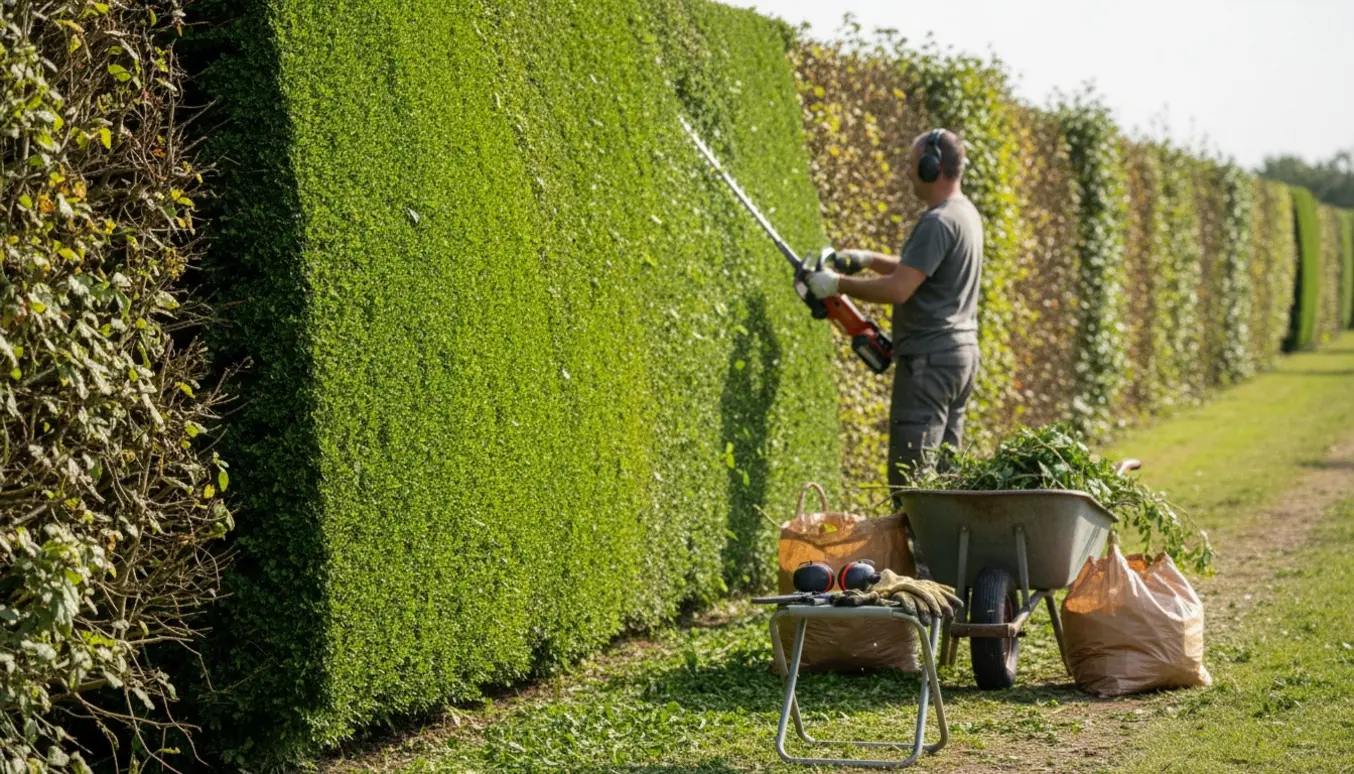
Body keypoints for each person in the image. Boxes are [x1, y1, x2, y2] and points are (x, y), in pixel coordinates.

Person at [805, 129, 984, 493]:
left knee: (912, 479)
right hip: (960, 358)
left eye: (913, 164)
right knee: (947, 478)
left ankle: (916, 550)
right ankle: (943, 550)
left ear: (932, 166)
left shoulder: (937, 221)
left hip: (930, 362)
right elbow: (917, 270)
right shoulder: (966, 214)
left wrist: (835, 284)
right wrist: (868, 260)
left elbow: (900, 289)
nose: (908, 172)